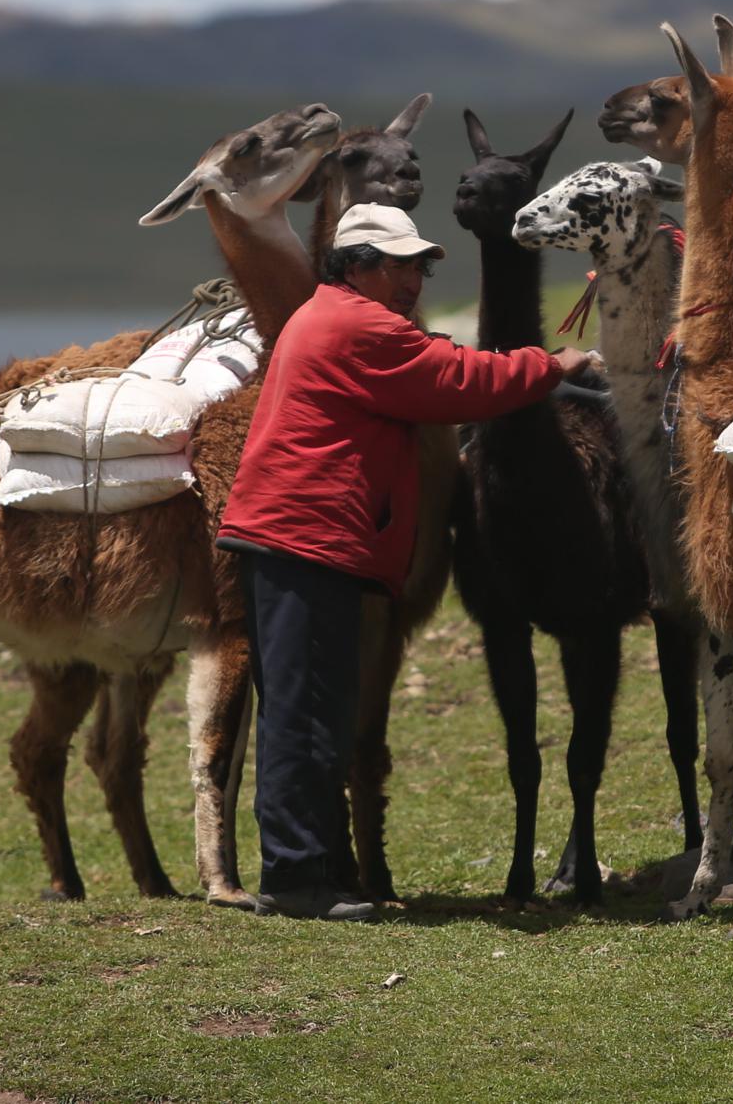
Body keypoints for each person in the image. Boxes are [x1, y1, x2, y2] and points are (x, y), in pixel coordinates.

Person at [216, 202, 591, 920]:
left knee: (310, 707)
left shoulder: (326, 315)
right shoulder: (360, 325)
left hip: (295, 537)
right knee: (307, 713)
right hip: (308, 539)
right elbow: (452, 380)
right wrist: (552, 366)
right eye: (399, 264)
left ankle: (313, 869)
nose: (414, 278)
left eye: (420, 266)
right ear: (356, 264)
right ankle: (299, 880)